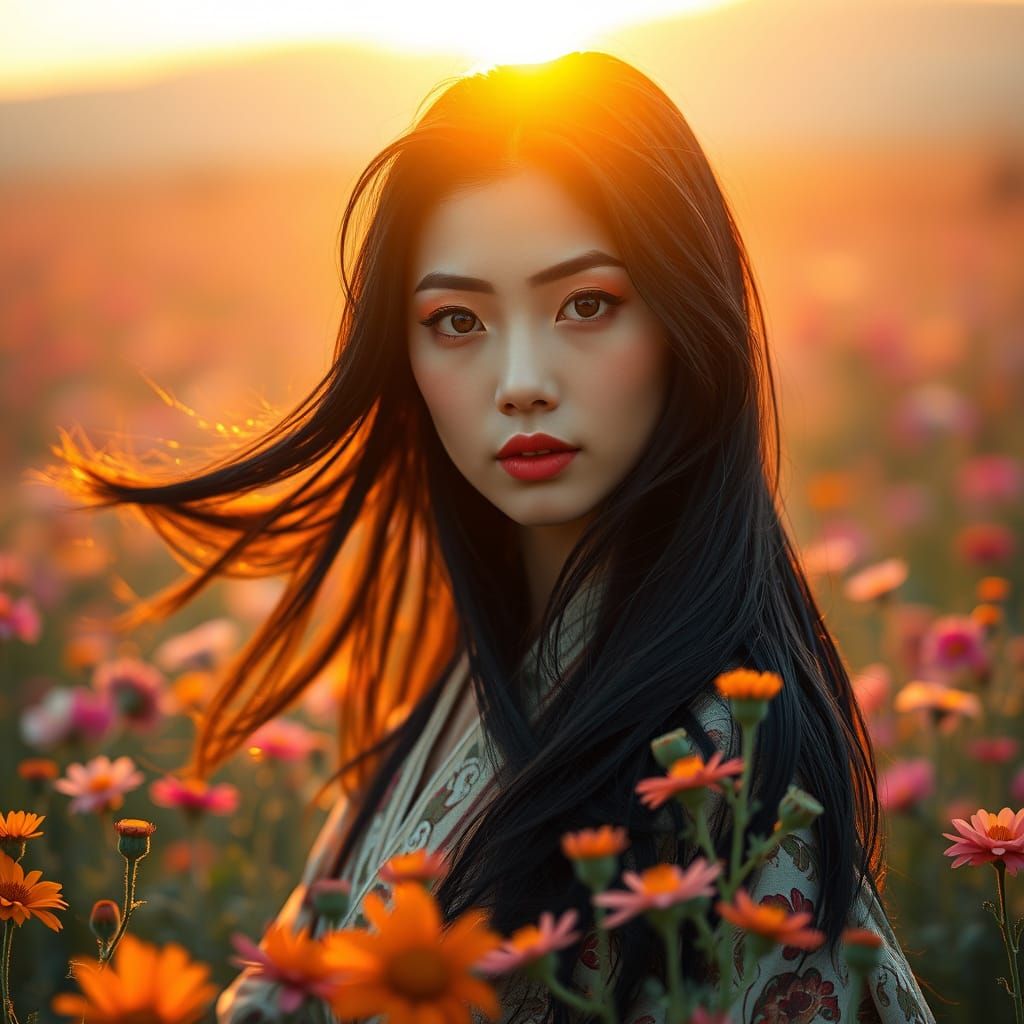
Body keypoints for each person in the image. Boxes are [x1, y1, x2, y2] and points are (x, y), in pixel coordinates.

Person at [45, 51, 936, 1024]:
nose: (519, 378)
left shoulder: (715, 773)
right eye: (457, 318)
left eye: (586, 303)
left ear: (689, 322)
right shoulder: (477, 679)